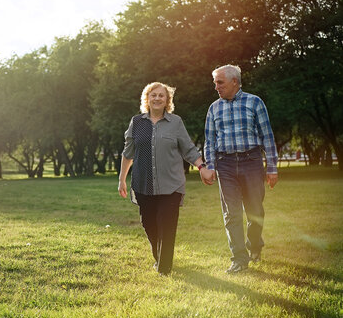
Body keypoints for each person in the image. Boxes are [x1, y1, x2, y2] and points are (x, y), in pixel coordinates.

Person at [118, 82, 212, 275]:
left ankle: (164, 268)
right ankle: (159, 257)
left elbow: (188, 149)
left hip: (171, 185)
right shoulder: (137, 123)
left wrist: (202, 167)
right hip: (144, 184)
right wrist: (122, 180)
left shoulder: (175, 122)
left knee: (167, 227)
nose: (157, 98)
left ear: (167, 100)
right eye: (153, 95)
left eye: (162, 95)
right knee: (149, 225)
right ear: (147, 98)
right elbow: (128, 153)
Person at [203, 64, 278, 274]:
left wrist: (272, 168)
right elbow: (210, 141)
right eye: (215, 83)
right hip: (225, 164)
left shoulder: (255, 102)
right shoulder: (214, 108)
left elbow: (267, 136)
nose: (216, 87)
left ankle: (255, 245)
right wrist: (210, 166)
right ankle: (239, 258)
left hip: (251, 161)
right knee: (231, 213)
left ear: (234, 81)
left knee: (255, 210)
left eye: (220, 82)